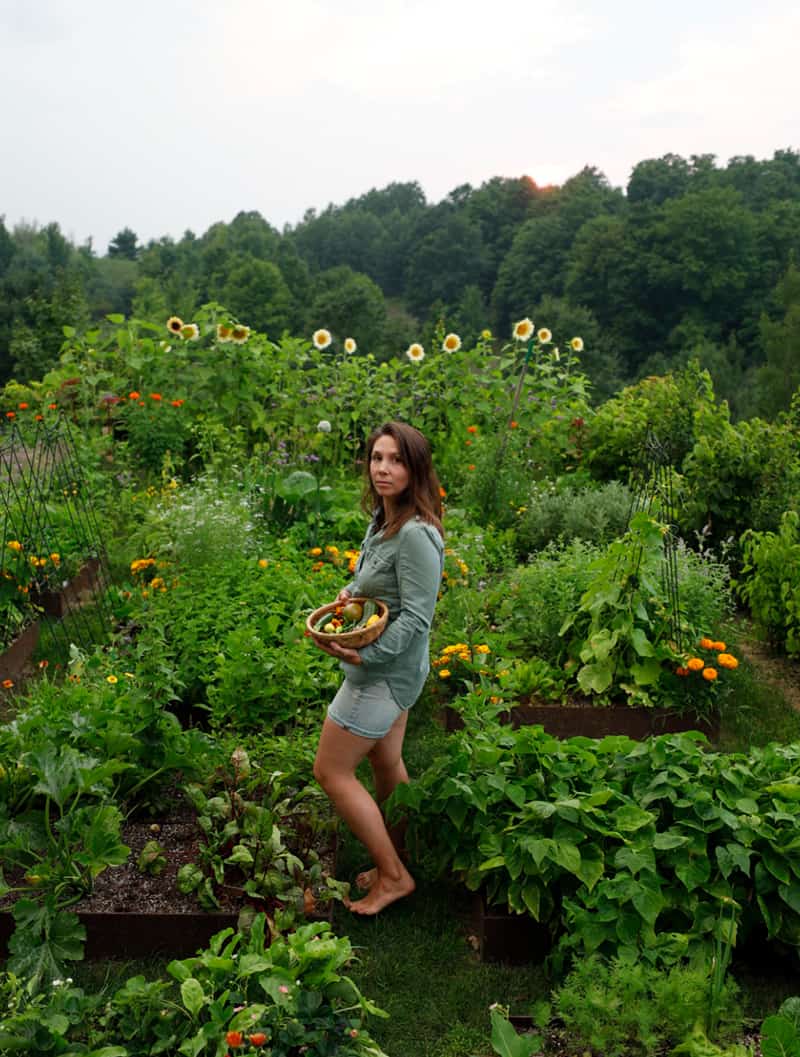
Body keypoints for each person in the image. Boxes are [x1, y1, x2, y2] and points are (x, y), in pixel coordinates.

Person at [311, 421, 444, 915]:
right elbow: (382, 583)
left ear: (415, 470)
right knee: (385, 762)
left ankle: (392, 877)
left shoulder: (415, 534)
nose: (384, 468)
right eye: (377, 458)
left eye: (396, 460)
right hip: (394, 670)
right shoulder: (383, 519)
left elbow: (416, 617)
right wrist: (354, 593)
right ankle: (401, 855)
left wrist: (365, 654)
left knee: (331, 770)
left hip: (383, 674)